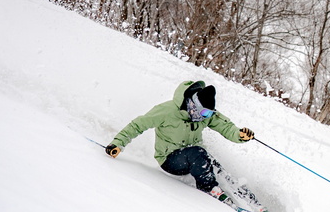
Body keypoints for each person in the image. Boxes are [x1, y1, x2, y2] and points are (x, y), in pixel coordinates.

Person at [105, 80, 255, 202]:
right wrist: (118, 143)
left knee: (213, 164)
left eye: (210, 113)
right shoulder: (167, 111)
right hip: (170, 160)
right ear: (193, 104)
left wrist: (239, 135)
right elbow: (138, 125)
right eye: (204, 112)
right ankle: (210, 189)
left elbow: (225, 126)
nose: (206, 116)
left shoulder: (204, 115)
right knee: (199, 154)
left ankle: (246, 196)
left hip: (195, 157)